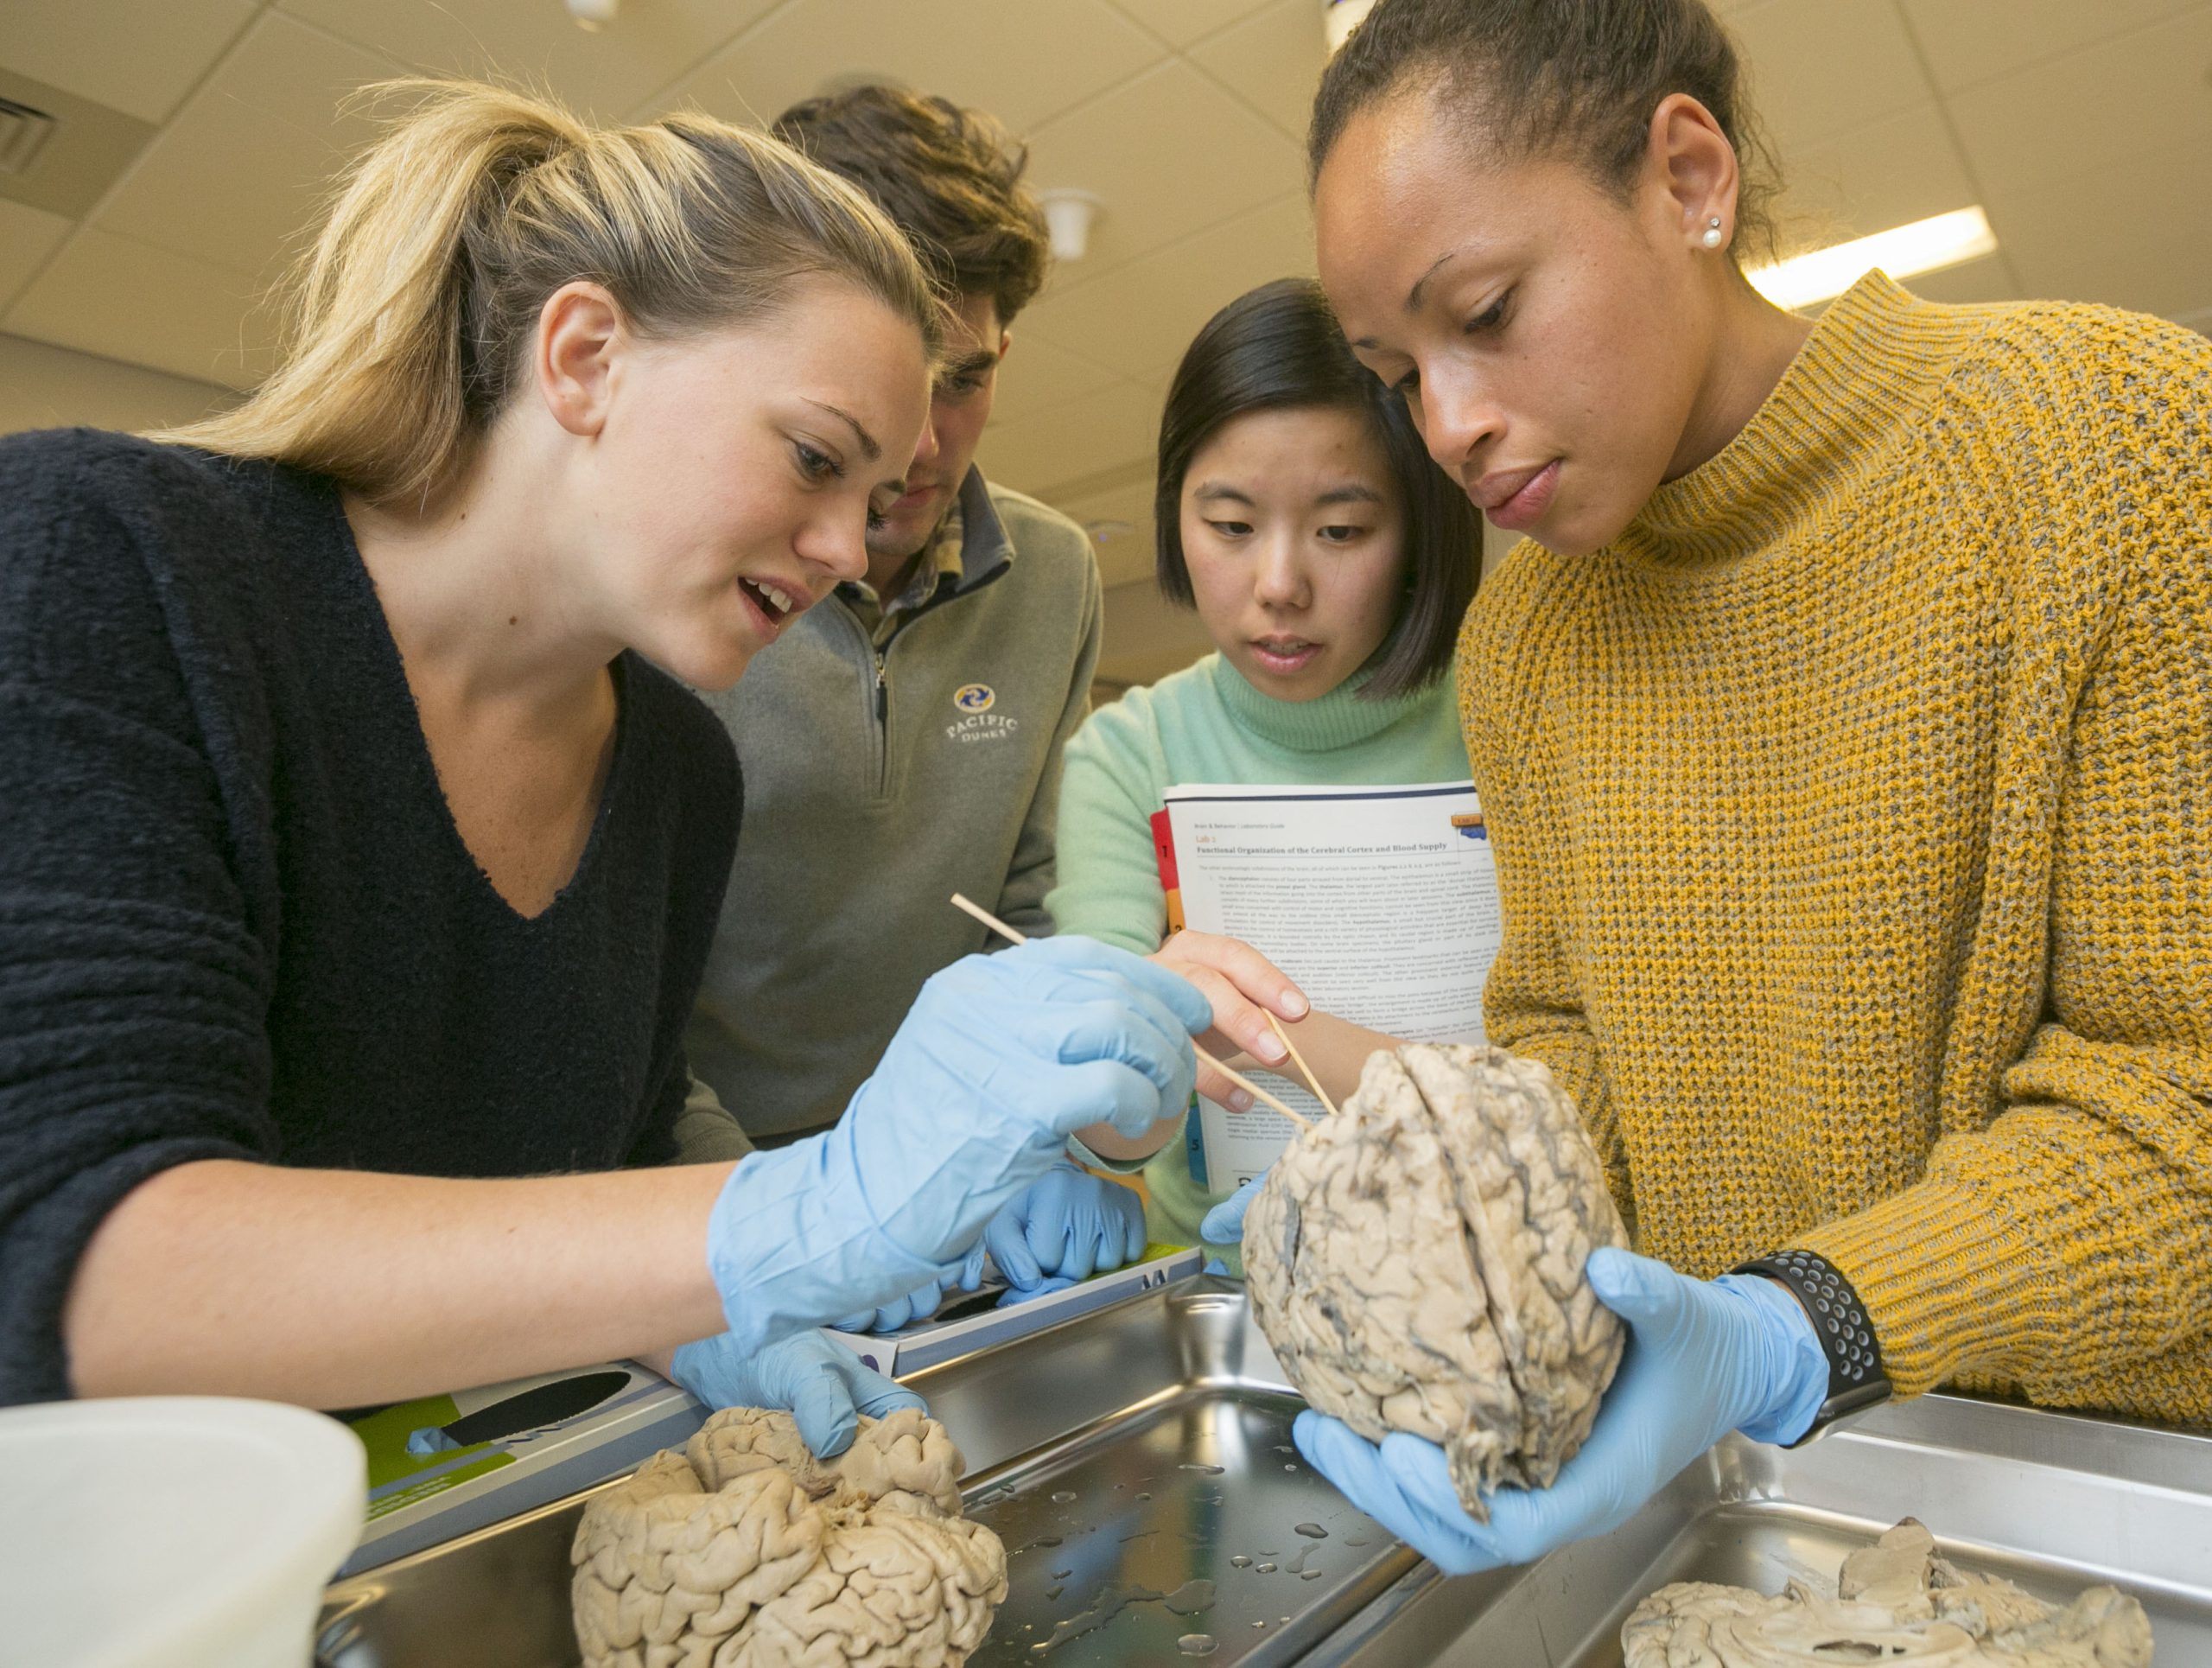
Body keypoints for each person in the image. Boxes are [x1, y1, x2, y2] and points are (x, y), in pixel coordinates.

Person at [0, 80, 1217, 1460]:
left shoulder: (677, 768)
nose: (839, 550)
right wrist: (797, 1212)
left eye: (868, 497)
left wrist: (715, 1308)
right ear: (583, 356)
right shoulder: (108, 562)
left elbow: (614, 1156)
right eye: (815, 459)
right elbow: (86, 1266)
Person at [1199, 0, 2212, 1573]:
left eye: (1487, 310)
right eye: (1399, 372)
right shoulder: (1526, 633)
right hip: (1747, 1485)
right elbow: (1577, 1060)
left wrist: (1796, 1324)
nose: (1448, 425)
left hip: (2108, 1488)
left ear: (1685, 176)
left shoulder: (2109, 441)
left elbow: (2182, 1107)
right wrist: (1425, 1195)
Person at [677, 84, 1137, 1327]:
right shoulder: (689, 574)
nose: (925, 443)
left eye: (966, 381)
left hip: (952, 1169)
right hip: (702, 1193)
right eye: (888, 385)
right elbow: (621, 988)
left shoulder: (1054, 576)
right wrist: (787, 1218)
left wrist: (1046, 1138)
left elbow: (1029, 903)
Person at [1044, 277, 1478, 1258]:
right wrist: (1106, 1082)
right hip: (1220, 1278)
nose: (1278, 586)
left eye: (1340, 531)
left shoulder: (1504, 713)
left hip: (1473, 1258)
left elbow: (1555, 1091)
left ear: (1420, 529)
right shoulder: (1131, 750)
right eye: (1231, 527)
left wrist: (1226, 1024)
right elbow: (1109, 1125)